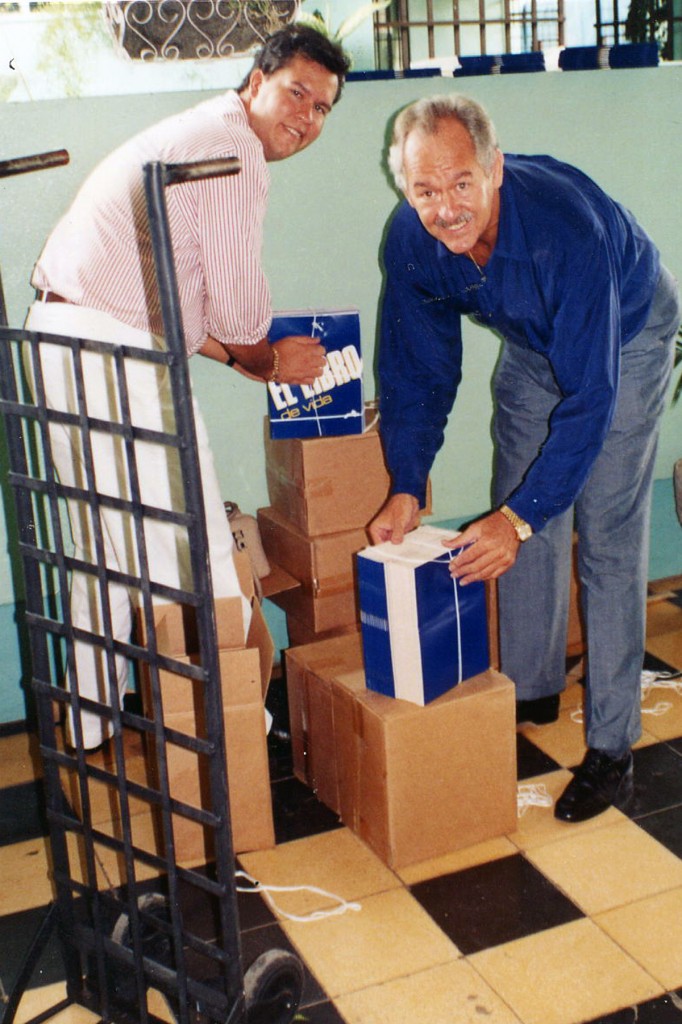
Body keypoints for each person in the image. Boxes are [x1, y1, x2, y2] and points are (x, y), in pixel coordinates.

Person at [26, 25, 350, 749]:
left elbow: (188, 314)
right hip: (113, 349)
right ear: (257, 80)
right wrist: (272, 360)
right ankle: (238, 727)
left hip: (62, 334)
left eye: (323, 108)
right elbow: (236, 313)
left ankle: (87, 727)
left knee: (101, 545)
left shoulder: (196, 132)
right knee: (198, 541)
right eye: (297, 92)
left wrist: (244, 361)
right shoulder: (232, 148)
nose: (307, 118)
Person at [369, 93, 680, 823]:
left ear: (494, 169)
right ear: (404, 190)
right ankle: (531, 689)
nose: (444, 208)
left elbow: (593, 393)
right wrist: (407, 484)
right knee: (517, 509)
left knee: (600, 530)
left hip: (625, 339)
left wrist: (522, 516)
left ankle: (612, 748)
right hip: (536, 345)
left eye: (460, 184)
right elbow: (417, 366)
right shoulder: (413, 241)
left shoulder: (563, 231)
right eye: (423, 191)